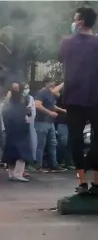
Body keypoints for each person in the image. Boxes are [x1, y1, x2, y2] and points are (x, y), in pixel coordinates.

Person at [59, 6, 98, 194]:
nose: (73, 23)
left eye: (75, 19)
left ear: (80, 22)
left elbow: (63, 60)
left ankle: (82, 182)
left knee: (75, 140)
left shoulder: (67, 43)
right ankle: (97, 183)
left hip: (74, 98)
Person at [34, 77, 66, 173]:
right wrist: (50, 113)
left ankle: (54, 165)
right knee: (40, 145)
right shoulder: (41, 93)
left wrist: (61, 110)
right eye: (51, 83)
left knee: (53, 144)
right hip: (41, 122)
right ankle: (38, 167)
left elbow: (51, 105)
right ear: (46, 83)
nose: (53, 84)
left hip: (50, 123)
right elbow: (37, 105)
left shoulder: (50, 94)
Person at [2, 83, 33, 182]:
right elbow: (26, 114)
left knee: (11, 152)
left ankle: (11, 173)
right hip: (20, 131)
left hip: (11, 131)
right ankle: (18, 174)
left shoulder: (7, 104)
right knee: (21, 153)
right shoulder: (20, 102)